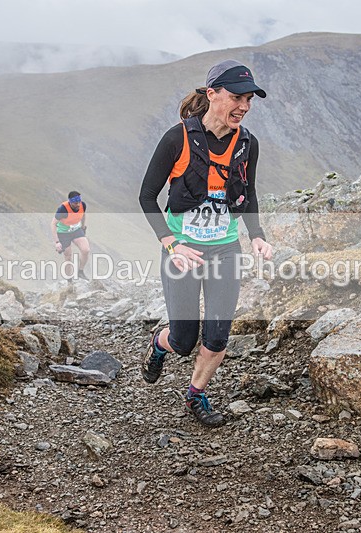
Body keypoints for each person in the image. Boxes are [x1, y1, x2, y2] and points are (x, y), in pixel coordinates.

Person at [138, 59, 273, 427]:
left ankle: (196, 395)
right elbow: (147, 196)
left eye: (249, 100)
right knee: (183, 341)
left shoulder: (247, 143)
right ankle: (159, 343)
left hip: (225, 248)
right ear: (212, 94)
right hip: (182, 251)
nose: (244, 106)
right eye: (236, 97)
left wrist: (257, 236)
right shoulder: (177, 139)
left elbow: (249, 193)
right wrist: (171, 243)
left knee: (217, 336)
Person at [50, 190, 90, 279]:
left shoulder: (82, 205)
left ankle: (80, 272)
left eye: (79, 202)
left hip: (76, 230)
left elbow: (83, 215)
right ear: (70, 202)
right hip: (63, 233)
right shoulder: (63, 209)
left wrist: (83, 227)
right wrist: (57, 242)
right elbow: (53, 224)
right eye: (75, 203)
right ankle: (69, 280)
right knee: (68, 256)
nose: (78, 205)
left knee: (86, 250)